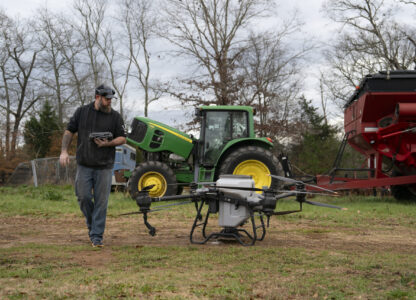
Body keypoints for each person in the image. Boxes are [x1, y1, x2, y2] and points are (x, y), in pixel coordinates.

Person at [59, 84, 126, 248]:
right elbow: (69, 131)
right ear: (97, 97)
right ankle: (92, 226)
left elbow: (123, 138)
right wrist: (64, 152)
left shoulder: (115, 117)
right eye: (106, 99)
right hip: (84, 164)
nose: (109, 102)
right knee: (83, 197)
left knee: (101, 202)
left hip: (104, 166)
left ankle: (97, 236)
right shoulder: (82, 112)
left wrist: (108, 143)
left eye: (111, 99)